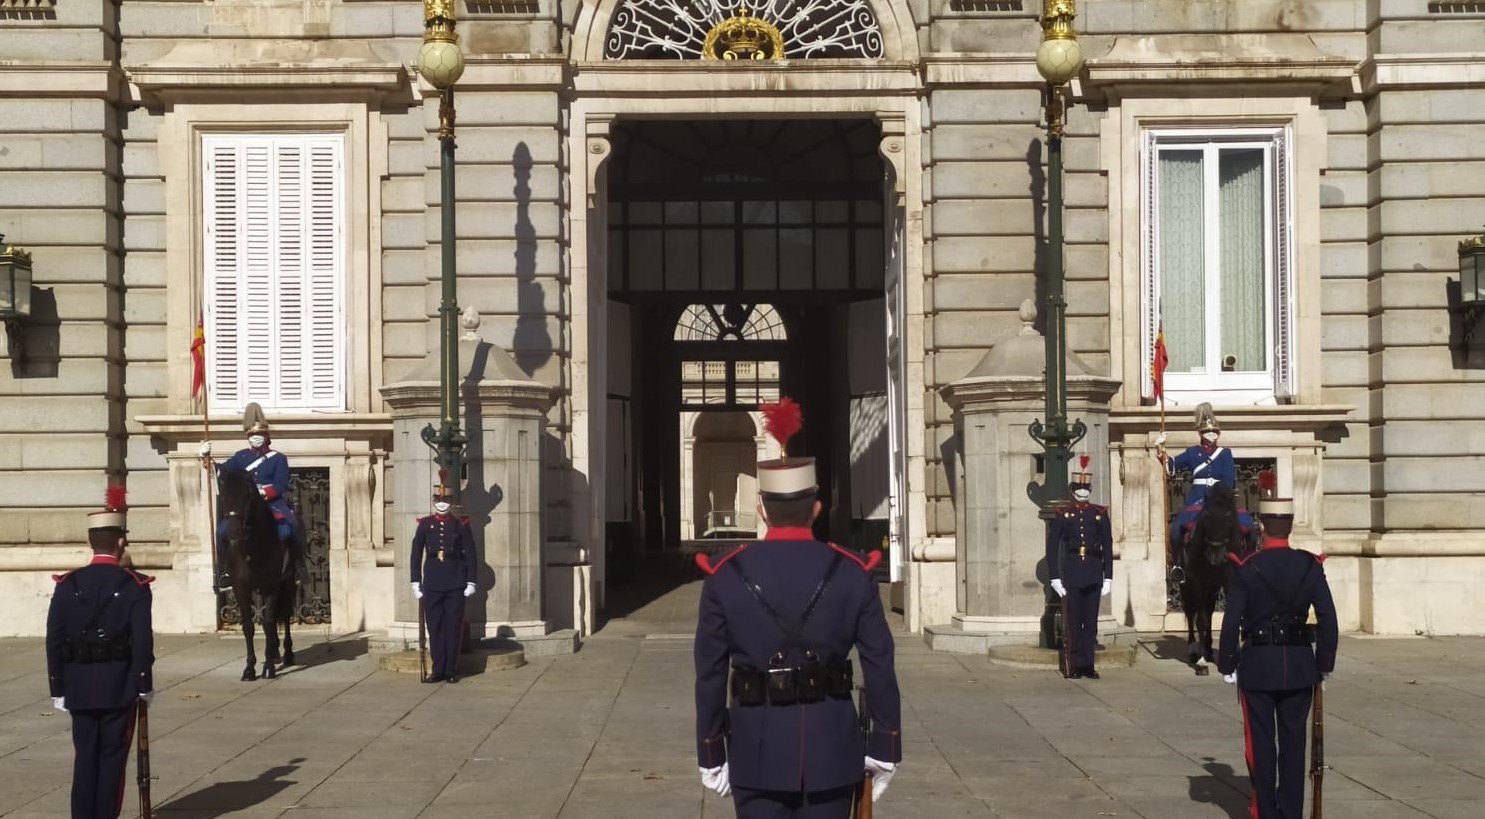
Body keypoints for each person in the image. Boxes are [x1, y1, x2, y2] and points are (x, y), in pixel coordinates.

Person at [693, 398, 902, 818]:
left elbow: (711, 672)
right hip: (833, 751)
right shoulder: (853, 572)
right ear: (817, 509)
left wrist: (711, 751)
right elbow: (879, 662)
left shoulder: (725, 576)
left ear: (761, 511)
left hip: (755, 752)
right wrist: (885, 745)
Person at [1218, 493, 1339, 819]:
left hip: (1258, 667)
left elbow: (1231, 622)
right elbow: (1329, 619)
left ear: (1261, 526)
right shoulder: (1309, 565)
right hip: (1300, 667)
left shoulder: (1248, 568)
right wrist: (1324, 665)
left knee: (1261, 747)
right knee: (1293, 748)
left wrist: (1226, 663)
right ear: (1290, 525)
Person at [46, 487, 155, 819]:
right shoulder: (134, 585)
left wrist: (57, 688)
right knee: (112, 762)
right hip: (118, 686)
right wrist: (143, 684)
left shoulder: (67, 584)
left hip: (78, 687)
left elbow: (53, 639)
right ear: (121, 542)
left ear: (91, 542)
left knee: (85, 759)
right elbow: (142, 641)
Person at [199, 403, 302, 590]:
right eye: (251, 435)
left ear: (266, 436)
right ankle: (225, 572)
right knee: (221, 532)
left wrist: (265, 491)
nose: (255, 438)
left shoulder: (278, 458)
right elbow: (221, 471)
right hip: (245, 505)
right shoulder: (241, 457)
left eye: (259, 434)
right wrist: (205, 457)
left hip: (272, 504)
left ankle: (297, 568)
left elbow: (281, 485)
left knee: (291, 527)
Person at [1045, 461, 1113, 679]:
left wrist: (1108, 576)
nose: (1083, 492)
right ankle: (1074, 664)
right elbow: (1053, 546)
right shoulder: (1064, 515)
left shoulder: (1099, 513)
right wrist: (1055, 577)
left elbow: (1108, 545)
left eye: (1086, 489)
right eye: (1079, 489)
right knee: (1074, 622)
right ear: (1072, 491)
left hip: (1094, 571)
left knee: (1090, 622)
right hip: (1073, 571)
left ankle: (1088, 664)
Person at [1158, 402, 1251, 555]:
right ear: (1200, 434)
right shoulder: (1192, 452)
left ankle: (1246, 560)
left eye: (1215, 432)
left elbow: (1229, 480)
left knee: (1250, 528)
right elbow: (1171, 466)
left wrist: (1222, 498)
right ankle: (1178, 564)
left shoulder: (1225, 453)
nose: (1212, 435)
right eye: (1208, 432)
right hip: (1197, 500)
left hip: (1220, 500)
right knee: (1175, 529)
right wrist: (1160, 447)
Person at [410, 480, 477, 683]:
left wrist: (471, 581)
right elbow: (416, 553)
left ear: (451, 502)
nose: (441, 503)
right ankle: (437, 669)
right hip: (432, 582)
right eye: (438, 499)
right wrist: (415, 580)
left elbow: (471, 554)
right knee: (435, 627)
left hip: (455, 582)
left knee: (453, 627)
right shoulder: (425, 524)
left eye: (445, 499)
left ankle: (450, 670)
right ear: (433, 502)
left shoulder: (460, 525)